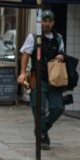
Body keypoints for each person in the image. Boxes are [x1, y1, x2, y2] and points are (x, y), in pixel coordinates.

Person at [16, 10, 65, 149]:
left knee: (58, 108)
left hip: (54, 79)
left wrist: (61, 56)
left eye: (49, 21)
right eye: (44, 21)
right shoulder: (33, 37)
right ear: (40, 22)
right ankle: (42, 136)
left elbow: (62, 53)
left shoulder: (58, 38)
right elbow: (25, 54)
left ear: (53, 23)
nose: (47, 24)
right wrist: (22, 73)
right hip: (38, 78)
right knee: (39, 108)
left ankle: (42, 129)